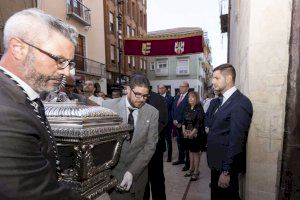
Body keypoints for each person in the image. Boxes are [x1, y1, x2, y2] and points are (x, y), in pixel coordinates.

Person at [0, 8, 84, 199]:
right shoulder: (5, 113)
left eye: (69, 64)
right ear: (18, 48)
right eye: (59, 60)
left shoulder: (24, 96)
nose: (66, 73)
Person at [102, 73, 159, 200]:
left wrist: (132, 172)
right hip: (113, 174)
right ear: (127, 89)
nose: (142, 99)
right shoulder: (108, 107)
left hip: (138, 173)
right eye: (137, 94)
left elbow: (150, 146)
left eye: (145, 96)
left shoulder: (152, 113)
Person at [207, 64, 253, 200]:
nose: (212, 81)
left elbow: (237, 141)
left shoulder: (240, 103)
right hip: (216, 164)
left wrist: (226, 171)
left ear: (228, 79)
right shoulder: (222, 100)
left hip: (225, 168)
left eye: (216, 78)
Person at [143, 90, 168, 200]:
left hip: (155, 147)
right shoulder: (134, 98)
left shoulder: (158, 99)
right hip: (139, 149)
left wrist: (148, 135)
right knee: (143, 182)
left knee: (157, 179)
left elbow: (163, 120)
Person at [182, 91, 206, 181]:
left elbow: (199, 123)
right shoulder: (187, 107)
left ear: (196, 98)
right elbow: (184, 120)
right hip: (187, 134)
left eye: (192, 97)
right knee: (190, 152)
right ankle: (191, 169)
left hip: (196, 134)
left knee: (196, 153)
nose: (190, 99)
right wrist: (183, 130)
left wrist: (192, 133)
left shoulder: (199, 108)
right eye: (189, 97)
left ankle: (196, 171)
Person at [171, 81, 190, 171]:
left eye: (182, 86)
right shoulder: (177, 96)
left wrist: (180, 122)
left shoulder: (189, 97)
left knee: (186, 145)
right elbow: (173, 109)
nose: (180, 88)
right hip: (176, 124)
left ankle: (187, 163)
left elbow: (187, 112)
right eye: (180, 86)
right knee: (179, 143)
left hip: (184, 126)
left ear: (187, 88)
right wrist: (174, 120)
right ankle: (181, 159)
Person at [158, 84, 174, 162]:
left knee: (168, 140)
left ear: (165, 89)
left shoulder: (170, 98)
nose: (160, 90)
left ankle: (169, 156)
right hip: (159, 123)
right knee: (161, 139)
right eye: (159, 88)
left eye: (162, 88)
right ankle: (161, 154)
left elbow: (170, 110)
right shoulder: (157, 98)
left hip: (168, 122)